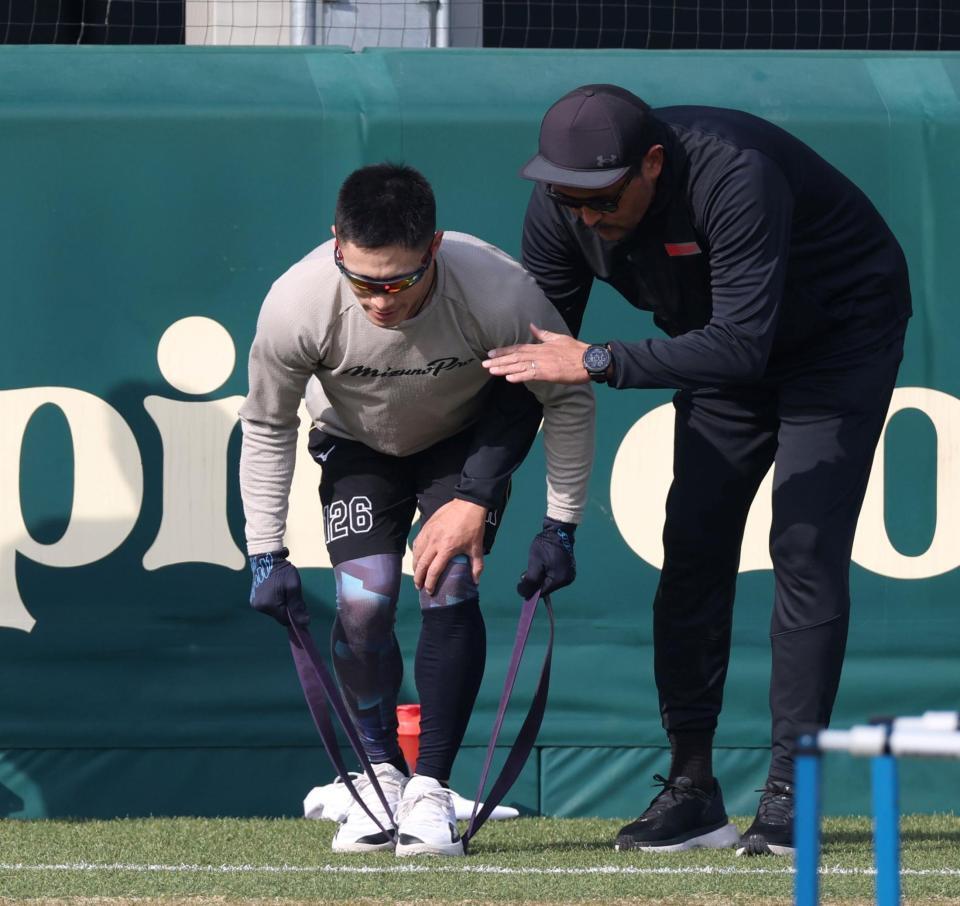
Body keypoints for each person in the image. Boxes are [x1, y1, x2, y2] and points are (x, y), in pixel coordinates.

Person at [483, 85, 911, 856]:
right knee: (692, 547)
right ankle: (691, 791)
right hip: (720, 347)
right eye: (568, 198)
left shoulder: (736, 175)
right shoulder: (561, 210)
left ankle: (793, 790)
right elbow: (537, 367)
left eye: (603, 198)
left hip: (838, 338)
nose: (586, 216)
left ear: (652, 164)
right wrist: (477, 495)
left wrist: (602, 360)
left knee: (804, 545)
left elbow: (742, 345)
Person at [239, 163, 594, 857]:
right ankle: (380, 777)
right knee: (363, 599)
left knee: (448, 580)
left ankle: (431, 787)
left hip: (462, 444)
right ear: (336, 243)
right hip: (355, 442)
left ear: (434, 247)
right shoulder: (297, 303)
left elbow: (568, 396)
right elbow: (268, 423)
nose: (380, 301)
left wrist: (561, 526)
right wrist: (264, 551)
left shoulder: (498, 290)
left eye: (400, 282)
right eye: (362, 280)